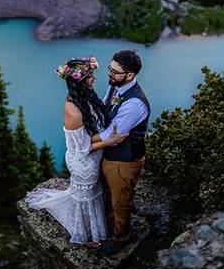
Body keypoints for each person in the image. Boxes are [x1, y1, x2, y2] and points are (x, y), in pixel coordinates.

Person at [24, 57, 128, 246]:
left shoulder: (86, 96)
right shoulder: (73, 111)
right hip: (84, 163)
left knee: (94, 196)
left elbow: (91, 134)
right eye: (89, 76)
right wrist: (111, 140)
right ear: (79, 81)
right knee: (86, 200)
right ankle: (85, 236)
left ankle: (94, 230)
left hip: (93, 158)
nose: (93, 79)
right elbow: (82, 148)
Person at [95, 49, 150, 257]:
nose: (109, 73)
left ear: (130, 75)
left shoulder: (134, 103)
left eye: (114, 71)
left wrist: (78, 140)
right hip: (110, 155)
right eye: (110, 68)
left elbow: (110, 134)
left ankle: (122, 237)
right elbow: (104, 110)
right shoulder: (115, 86)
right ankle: (111, 229)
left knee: (121, 200)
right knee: (110, 195)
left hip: (124, 160)